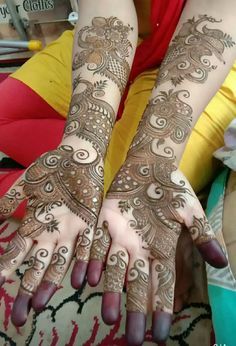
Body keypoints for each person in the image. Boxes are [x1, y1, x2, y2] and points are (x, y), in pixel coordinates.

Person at [0, 0, 236, 344]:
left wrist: (152, 157)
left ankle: (122, 149)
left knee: (129, 206)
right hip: (116, 36)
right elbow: (105, 10)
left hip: (207, 48)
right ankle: (113, 134)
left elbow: (217, 15)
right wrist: (83, 145)